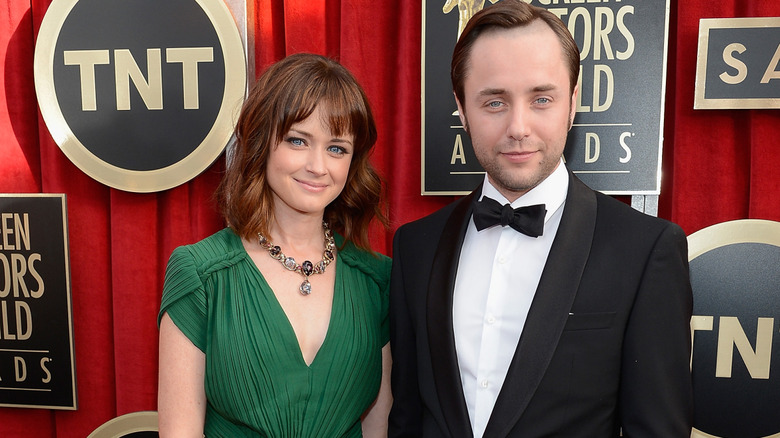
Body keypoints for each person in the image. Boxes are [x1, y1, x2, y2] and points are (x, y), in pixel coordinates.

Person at [388, 1, 693, 437]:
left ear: (573, 102)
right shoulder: (415, 246)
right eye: (494, 102)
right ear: (461, 108)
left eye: (541, 99)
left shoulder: (645, 251)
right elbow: (407, 419)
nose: (518, 126)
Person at [157, 53, 392, 437]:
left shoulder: (377, 279)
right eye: (298, 141)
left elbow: (378, 426)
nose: (318, 166)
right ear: (261, 142)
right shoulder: (201, 274)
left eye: (337, 148)